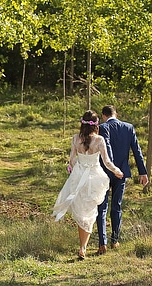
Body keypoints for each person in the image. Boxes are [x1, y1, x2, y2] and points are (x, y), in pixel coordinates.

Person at [53, 110, 124, 260]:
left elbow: (72, 160)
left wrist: (73, 169)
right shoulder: (99, 140)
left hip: (79, 177)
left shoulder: (75, 138)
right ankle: (83, 247)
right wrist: (117, 171)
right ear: (96, 125)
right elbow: (107, 162)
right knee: (91, 213)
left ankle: (82, 247)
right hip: (94, 178)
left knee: (81, 212)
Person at [96, 104, 148, 253]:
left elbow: (107, 147)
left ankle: (102, 243)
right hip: (122, 173)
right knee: (117, 206)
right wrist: (142, 172)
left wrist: (112, 168)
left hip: (105, 172)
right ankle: (115, 240)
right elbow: (137, 151)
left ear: (104, 115)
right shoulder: (129, 127)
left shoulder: (102, 127)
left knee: (102, 207)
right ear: (116, 114)